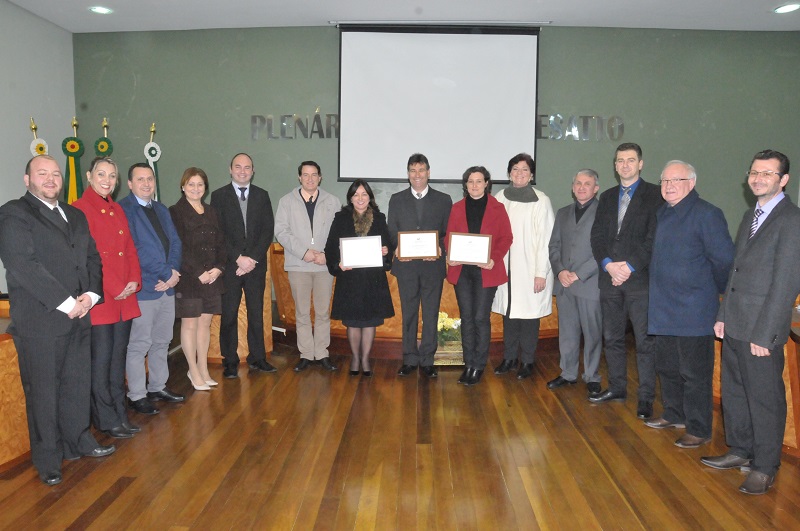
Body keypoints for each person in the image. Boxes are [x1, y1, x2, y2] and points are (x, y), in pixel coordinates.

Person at [0, 155, 114, 486]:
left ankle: (77, 441)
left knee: (77, 386)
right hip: (41, 322)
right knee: (44, 393)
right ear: (27, 180)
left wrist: (91, 296)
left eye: (55, 174)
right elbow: (24, 265)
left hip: (79, 318)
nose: (51, 179)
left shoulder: (76, 215)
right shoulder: (13, 213)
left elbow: (93, 258)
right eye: (42, 173)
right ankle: (48, 458)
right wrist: (67, 304)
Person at [702, 149, 800, 495]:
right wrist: (723, 315)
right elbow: (736, 271)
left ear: (783, 180)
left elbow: (786, 282)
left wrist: (767, 332)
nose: (758, 178)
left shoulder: (792, 220)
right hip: (736, 322)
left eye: (768, 174)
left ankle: (764, 466)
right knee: (735, 391)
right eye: (754, 172)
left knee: (765, 399)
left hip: (761, 328)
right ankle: (740, 450)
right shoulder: (751, 215)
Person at [645, 161, 734, 448]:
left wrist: (714, 293)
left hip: (694, 310)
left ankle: (698, 428)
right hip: (663, 308)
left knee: (695, 374)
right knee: (668, 367)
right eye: (664, 181)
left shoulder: (708, 214)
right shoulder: (661, 214)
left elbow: (724, 262)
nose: (669, 186)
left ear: (692, 183)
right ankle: (674, 414)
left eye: (677, 180)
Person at [589, 142, 663, 420]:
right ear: (615, 164)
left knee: (644, 342)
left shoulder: (655, 195)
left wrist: (628, 267)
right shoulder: (607, 197)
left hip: (639, 280)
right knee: (613, 338)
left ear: (641, 164)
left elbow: (652, 238)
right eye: (620, 160)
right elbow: (597, 237)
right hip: (609, 280)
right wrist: (608, 265)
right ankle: (617, 387)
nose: (625, 165)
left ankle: (645, 397)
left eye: (630, 160)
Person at [73, 157, 142, 439]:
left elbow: (130, 249)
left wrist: (134, 280)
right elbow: (90, 257)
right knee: (101, 363)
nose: (107, 180)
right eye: (101, 174)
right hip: (101, 299)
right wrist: (114, 287)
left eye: (112, 175)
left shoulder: (117, 208)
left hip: (124, 298)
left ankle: (119, 413)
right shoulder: (79, 209)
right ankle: (105, 419)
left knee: (118, 359)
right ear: (89, 175)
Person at [120, 163, 184, 415]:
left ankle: (158, 386)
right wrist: (167, 273)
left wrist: (173, 273)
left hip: (167, 287)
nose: (146, 184)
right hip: (145, 288)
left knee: (162, 341)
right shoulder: (124, 210)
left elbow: (175, 241)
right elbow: (136, 249)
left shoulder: (160, 208)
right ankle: (137, 394)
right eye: (140, 179)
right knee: (139, 344)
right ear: (130, 183)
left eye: (150, 179)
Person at [446, 166, 513, 386]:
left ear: (486, 183)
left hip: (487, 271)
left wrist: (493, 258)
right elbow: (449, 237)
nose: (474, 185)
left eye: (479, 181)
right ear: (465, 185)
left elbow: (506, 238)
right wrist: (450, 255)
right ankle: (468, 364)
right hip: (463, 271)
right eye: (470, 181)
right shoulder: (457, 208)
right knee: (467, 319)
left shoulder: (498, 208)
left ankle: (479, 365)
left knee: (480, 318)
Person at [210, 153, 276, 378]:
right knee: (228, 315)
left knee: (256, 315)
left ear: (253, 170)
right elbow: (218, 232)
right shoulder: (218, 196)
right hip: (230, 266)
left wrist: (251, 259)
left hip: (255, 267)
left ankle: (258, 358)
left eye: (247, 167)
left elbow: (268, 231)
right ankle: (230, 360)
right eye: (238, 167)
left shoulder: (262, 195)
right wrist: (238, 258)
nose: (242, 171)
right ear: (230, 169)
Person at [388, 153, 452, 378]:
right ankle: (409, 358)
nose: (417, 175)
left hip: (432, 268)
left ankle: (427, 359)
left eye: (421, 170)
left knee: (431, 313)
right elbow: (392, 231)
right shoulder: (396, 199)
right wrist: (397, 248)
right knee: (409, 314)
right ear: (408, 174)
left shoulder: (444, 200)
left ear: (428, 173)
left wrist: (438, 251)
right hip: (406, 268)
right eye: (413, 171)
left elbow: (447, 233)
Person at [491, 153, 554, 380]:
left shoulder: (541, 201)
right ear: (509, 173)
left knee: (529, 317)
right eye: (515, 169)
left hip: (530, 269)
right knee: (510, 315)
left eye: (524, 170)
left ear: (532, 174)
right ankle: (509, 358)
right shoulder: (500, 197)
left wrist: (540, 273)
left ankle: (527, 361)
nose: (519, 173)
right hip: (505, 267)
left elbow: (546, 240)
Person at [274, 161, 339, 372]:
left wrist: (326, 256)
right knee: (302, 312)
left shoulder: (333, 201)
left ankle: (321, 353)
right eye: (305, 174)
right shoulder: (286, 202)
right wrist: (304, 253)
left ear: (320, 177)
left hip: (323, 266)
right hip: (298, 265)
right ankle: (305, 354)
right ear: (299, 177)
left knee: (322, 312)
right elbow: (282, 232)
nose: (310, 178)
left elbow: (338, 233)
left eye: (314, 175)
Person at [324, 179, 394, 376]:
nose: (360, 198)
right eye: (356, 195)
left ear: (370, 197)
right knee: (353, 321)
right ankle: (355, 357)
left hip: (373, 280)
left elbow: (388, 244)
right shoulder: (340, 218)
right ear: (351, 198)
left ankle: (365, 359)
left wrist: (386, 251)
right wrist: (338, 264)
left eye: (364, 194)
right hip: (350, 279)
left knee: (370, 321)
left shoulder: (379, 218)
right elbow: (330, 247)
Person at [169, 167, 226, 391]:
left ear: (205, 187)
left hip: (212, 278)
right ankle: (192, 369)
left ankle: (203, 368)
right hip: (190, 279)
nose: (195, 188)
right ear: (183, 187)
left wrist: (218, 269)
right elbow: (178, 247)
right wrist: (198, 272)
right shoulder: (176, 211)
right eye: (191, 184)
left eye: (200, 185)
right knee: (190, 324)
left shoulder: (212, 212)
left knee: (205, 324)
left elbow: (222, 244)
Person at [547, 169, 603, 395]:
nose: (581, 187)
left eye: (587, 184)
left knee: (592, 333)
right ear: (572, 187)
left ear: (595, 188)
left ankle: (592, 375)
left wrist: (579, 274)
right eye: (578, 183)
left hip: (589, 284)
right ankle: (568, 373)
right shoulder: (562, 213)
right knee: (567, 332)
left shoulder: (604, 213)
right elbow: (554, 247)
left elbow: (604, 250)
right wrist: (560, 271)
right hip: (564, 284)